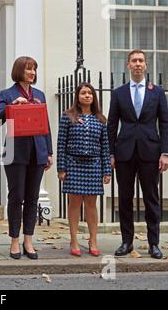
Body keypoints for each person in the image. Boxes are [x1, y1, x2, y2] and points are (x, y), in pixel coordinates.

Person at [108, 50, 168, 259]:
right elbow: (111, 124)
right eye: (134, 61)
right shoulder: (119, 93)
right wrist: (110, 153)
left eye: (141, 61)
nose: (137, 64)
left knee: (151, 199)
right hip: (124, 153)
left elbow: (165, 124)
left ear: (146, 65)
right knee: (125, 199)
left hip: (151, 153)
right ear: (127, 65)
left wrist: (166, 153)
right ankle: (127, 242)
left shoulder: (157, 92)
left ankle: (154, 243)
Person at [0, 56, 53, 260]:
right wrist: (13, 105)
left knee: (32, 197)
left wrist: (49, 152)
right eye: (29, 69)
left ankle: (29, 239)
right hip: (15, 152)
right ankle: (14, 241)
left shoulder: (40, 94)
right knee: (16, 196)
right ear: (19, 71)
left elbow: (46, 125)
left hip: (37, 151)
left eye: (34, 69)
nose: (32, 73)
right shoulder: (7, 94)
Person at [57, 82, 111, 257]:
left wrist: (106, 171)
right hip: (73, 164)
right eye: (83, 93)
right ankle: (73, 240)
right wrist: (61, 168)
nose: (87, 96)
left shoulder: (101, 119)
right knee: (74, 203)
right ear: (78, 97)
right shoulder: (68, 116)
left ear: (94, 97)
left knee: (91, 204)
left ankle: (93, 240)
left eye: (90, 93)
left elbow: (105, 147)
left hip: (94, 165)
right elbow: (61, 144)